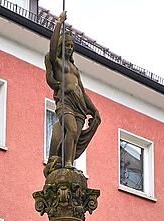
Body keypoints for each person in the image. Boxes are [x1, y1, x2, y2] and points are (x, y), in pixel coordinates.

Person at [45, 11, 101, 175]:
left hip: (79, 105)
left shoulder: (75, 69)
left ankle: (68, 162)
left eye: (71, 47)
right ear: (61, 46)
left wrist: (94, 110)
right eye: (66, 46)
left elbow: (82, 91)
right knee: (72, 129)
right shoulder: (56, 61)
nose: (69, 49)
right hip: (66, 101)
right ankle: (67, 163)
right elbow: (52, 48)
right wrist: (59, 23)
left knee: (75, 136)